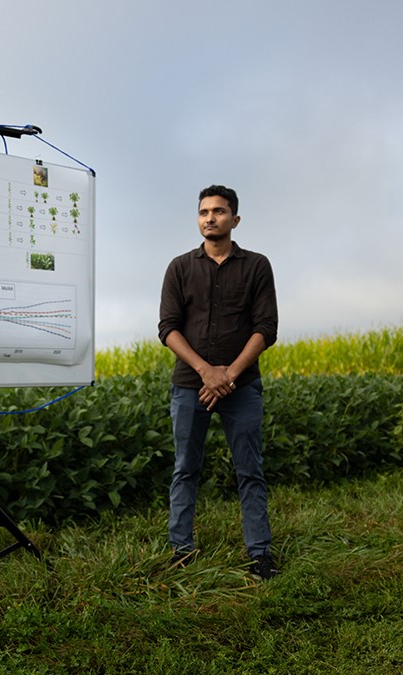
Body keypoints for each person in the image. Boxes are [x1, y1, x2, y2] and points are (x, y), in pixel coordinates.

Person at [157, 185, 279, 580]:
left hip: (241, 388)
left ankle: (259, 554)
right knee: (185, 468)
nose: (210, 218)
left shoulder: (257, 266)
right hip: (189, 386)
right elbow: (168, 328)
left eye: (219, 211)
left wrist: (228, 374)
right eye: (204, 212)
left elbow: (266, 328)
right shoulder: (179, 267)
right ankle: (181, 550)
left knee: (250, 469)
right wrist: (206, 371)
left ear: (235, 220)